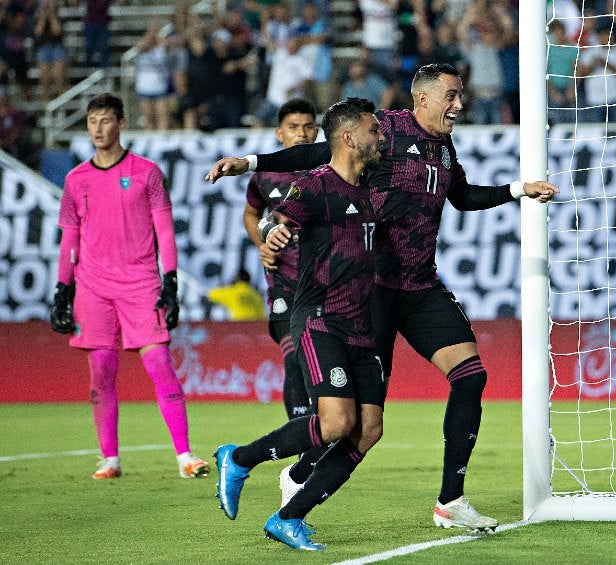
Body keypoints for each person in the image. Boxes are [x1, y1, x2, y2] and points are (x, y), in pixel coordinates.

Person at [205, 63, 558, 532]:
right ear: (424, 98)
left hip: (419, 286)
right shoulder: (384, 129)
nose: (459, 103)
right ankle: (299, 473)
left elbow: (464, 196)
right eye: (451, 95)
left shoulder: (444, 146)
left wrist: (518, 190)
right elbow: (318, 152)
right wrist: (251, 163)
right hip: (368, 293)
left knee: (470, 375)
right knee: (359, 423)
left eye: (460, 94)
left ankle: (450, 501)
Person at [214, 97, 386, 551]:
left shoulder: (374, 179)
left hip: (362, 324)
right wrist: (272, 236)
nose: (382, 136)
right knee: (334, 423)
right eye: (374, 130)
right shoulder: (313, 186)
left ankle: (289, 516)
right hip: (320, 319)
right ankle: (240, 458)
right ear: (350, 138)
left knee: (368, 429)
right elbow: (278, 218)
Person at [50, 93, 209, 480]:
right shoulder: (76, 180)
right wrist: (61, 290)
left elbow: (165, 231)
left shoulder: (147, 172)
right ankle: (110, 459)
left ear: (121, 123)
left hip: (141, 283)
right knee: (101, 371)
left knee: (158, 362)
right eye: (92, 121)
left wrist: (169, 283)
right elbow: (69, 239)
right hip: (92, 287)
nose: (99, 128)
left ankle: (185, 456)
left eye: (106, 120)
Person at [242, 97, 319, 421]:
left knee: (321, 363)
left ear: (317, 132)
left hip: (325, 282)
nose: (300, 134)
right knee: (293, 356)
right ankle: (301, 438)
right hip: (283, 286)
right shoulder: (265, 175)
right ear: (279, 134)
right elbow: (251, 213)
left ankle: (323, 430)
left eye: (307, 127)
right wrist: (261, 241)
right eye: (293, 128)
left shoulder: (330, 171)